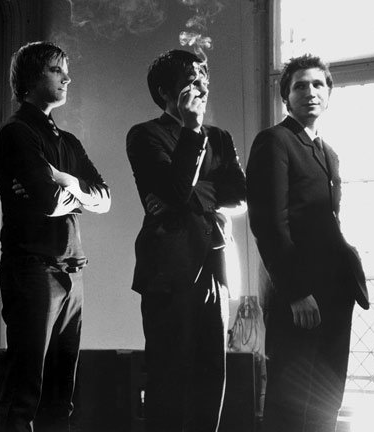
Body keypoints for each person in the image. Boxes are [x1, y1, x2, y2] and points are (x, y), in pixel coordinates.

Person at [246, 54, 369, 432]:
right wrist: (296, 291)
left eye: (318, 84)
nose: (310, 92)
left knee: (326, 401)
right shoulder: (275, 141)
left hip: (335, 293)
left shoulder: (328, 153)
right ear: (286, 96)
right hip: (299, 295)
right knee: (290, 402)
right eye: (300, 85)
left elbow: (327, 221)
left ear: (329, 94)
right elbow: (269, 223)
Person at [0, 41, 111, 432]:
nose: (67, 78)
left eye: (65, 70)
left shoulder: (68, 141)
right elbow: (48, 201)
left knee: (61, 396)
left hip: (72, 271)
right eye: (56, 70)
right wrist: (75, 195)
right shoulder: (16, 133)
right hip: (32, 270)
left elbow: (106, 198)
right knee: (24, 391)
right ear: (31, 78)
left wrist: (67, 183)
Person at [126, 49, 246, 432]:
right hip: (168, 270)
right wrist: (192, 131)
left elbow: (241, 197)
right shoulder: (144, 135)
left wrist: (191, 195)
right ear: (165, 92)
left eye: (203, 80)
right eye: (191, 81)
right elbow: (176, 191)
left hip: (215, 268)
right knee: (169, 378)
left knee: (212, 377)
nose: (201, 88)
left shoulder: (221, 138)